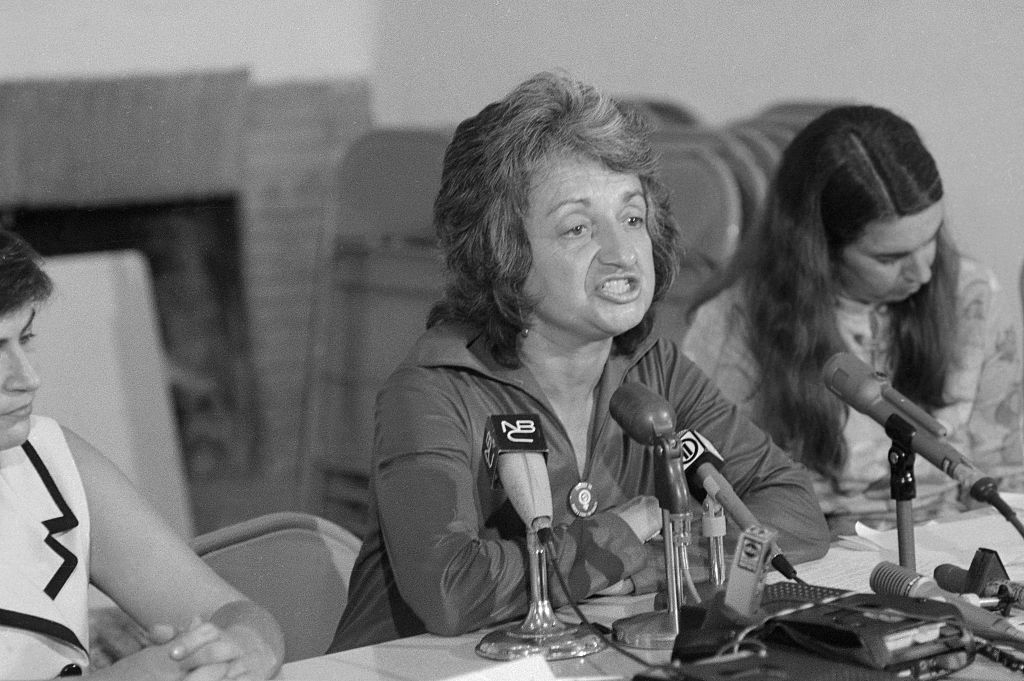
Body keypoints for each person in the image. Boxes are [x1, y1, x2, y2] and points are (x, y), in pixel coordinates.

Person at [328, 71, 830, 653]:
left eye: (633, 218)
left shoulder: (654, 368)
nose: (622, 254)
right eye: (577, 228)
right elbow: (453, 589)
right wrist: (622, 535)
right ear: (501, 251)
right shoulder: (433, 391)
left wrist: (656, 560)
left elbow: (791, 505)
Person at [683, 105, 1023, 533]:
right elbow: (716, 490)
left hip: (957, 538)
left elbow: (1005, 466)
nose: (922, 272)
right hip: (818, 545)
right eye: (890, 258)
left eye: (931, 238)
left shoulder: (971, 293)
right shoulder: (735, 321)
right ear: (818, 250)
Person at [0, 229, 285, 679]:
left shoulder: (53, 459)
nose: (27, 377)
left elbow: (230, 611)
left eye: (27, 338)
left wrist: (242, 647)